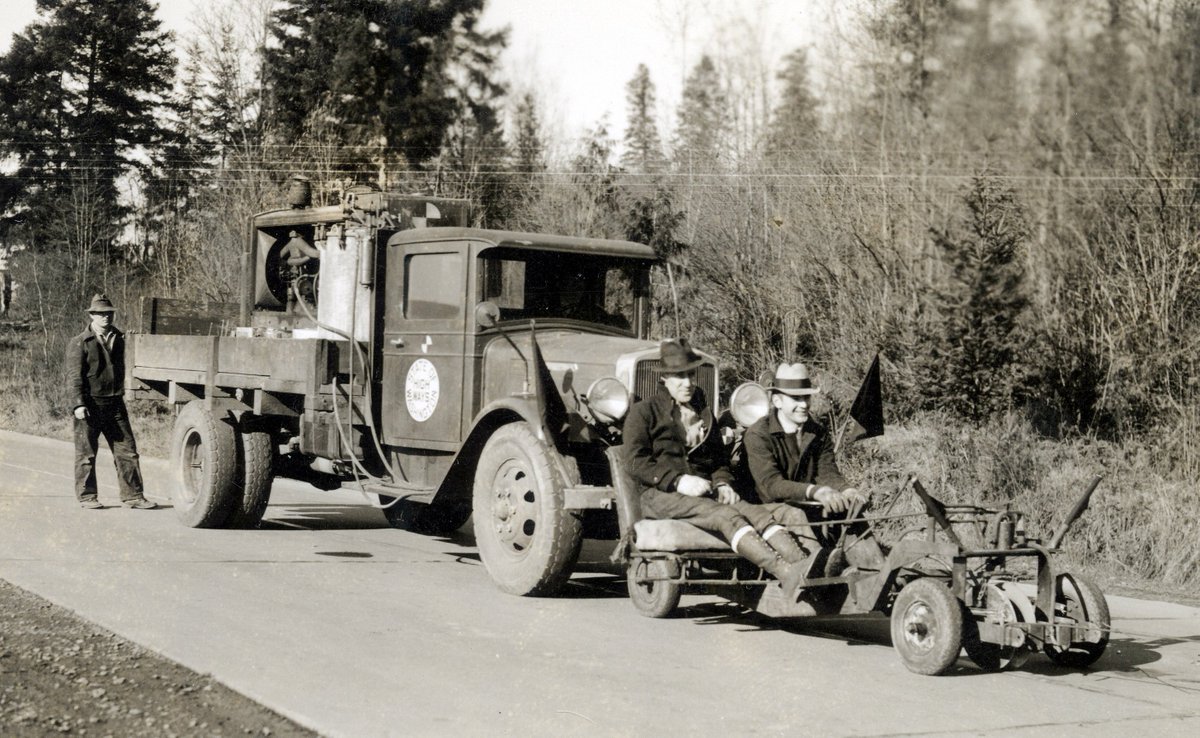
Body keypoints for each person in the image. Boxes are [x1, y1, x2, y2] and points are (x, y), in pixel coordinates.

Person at [624, 339, 808, 580]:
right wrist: (677, 481)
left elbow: (719, 459)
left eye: (691, 375)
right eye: (679, 376)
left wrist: (722, 483)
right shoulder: (644, 412)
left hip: (705, 495)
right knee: (726, 517)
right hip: (660, 496)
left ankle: (806, 567)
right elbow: (634, 461)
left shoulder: (703, 413)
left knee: (757, 514)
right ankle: (786, 574)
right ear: (664, 377)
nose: (688, 383)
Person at [68, 294, 156, 510]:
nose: (105, 317)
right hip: (90, 405)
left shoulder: (122, 338)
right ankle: (87, 497)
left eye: (108, 313)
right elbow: (73, 377)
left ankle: (133, 496)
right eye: (100, 314)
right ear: (91, 315)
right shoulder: (79, 342)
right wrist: (78, 404)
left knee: (127, 452)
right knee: (86, 454)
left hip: (115, 404)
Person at [743, 362, 865, 515]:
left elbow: (827, 472)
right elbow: (771, 484)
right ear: (777, 401)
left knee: (852, 513)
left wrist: (846, 490)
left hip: (808, 507)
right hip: (768, 513)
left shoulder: (818, 432)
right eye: (795, 398)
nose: (804, 404)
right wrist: (814, 491)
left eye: (806, 397)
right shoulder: (758, 434)